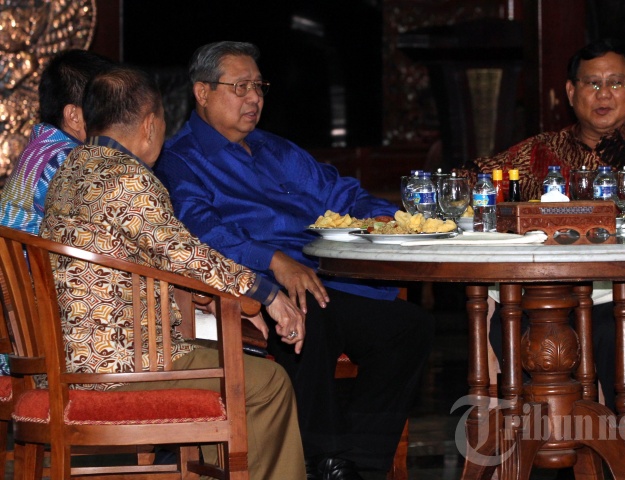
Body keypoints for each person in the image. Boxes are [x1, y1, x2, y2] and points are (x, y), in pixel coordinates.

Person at [154, 41, 434, 479]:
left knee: (409, 326)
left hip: (327, 280)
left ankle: (361, 463)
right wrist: (275, 260)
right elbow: (201, 231)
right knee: (307, 314)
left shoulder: (275, 149)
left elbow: (340, 192)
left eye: (259, 87)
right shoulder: (180, 160)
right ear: (202, 92)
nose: (254, 98)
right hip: (258, 289)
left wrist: (383, 218)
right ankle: (324, 458)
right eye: (240, 87)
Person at [39, 65, 306, 480]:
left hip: (69, 360)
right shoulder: (127, 178)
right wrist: (264, 292)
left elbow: (149, 257)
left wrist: (215, 295)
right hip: (121, 368)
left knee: (229, 362)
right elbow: (184, 252)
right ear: (150, 124)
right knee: (267, 382)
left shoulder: (70, 171)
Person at [456, 38, 625, 475]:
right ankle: (538, 444)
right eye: (592, 83)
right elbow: (473, 180)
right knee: (510, 326)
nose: (604, 94)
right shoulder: (538, 153)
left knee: (613, 332)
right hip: (543, 297)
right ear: (572, 92)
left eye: (616, 83)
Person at [0, 49, 113, 234]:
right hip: (33, 253)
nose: (115, 122)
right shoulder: (69, 158)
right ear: (74, 116)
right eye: (107, 112)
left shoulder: (44, 145)